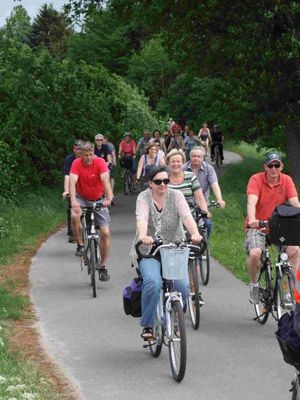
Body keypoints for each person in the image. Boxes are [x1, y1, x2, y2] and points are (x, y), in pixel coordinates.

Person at [130, 165, 202, 340]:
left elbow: (186, 216)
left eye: (166, 181)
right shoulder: (143, 198)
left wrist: (195, 233)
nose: (163, 185)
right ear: (150, 184)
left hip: (173, 249)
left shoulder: (176, 196)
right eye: (158, 181)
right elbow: (142, 219)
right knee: (153, 283)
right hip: (149, 250)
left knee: (182, 288)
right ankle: (148, 324)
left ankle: (175, 319)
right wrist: (143, 236)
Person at [245, 152, 300, 304]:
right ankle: (254, 284)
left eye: (277, 165)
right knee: (256, 253)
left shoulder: (286, 180)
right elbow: (251, 201)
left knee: (295, 251)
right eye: (271, 166)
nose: (274, 169)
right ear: (265, 167)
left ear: (281, 166)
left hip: (279, 225)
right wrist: (252, 219)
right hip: (258, 225)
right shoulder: (256, 179)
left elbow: (295, 202)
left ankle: (287, 289)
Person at [69, 141, 113, 281]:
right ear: (81, 154)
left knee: (105, 233)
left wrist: (109, 198)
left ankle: (103, 266)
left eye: (90, 154)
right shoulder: (76, 163)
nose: (88, 158)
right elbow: (72, 182)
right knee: (75, 215)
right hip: (82, 197)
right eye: (85, 155)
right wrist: (74, 201)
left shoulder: (99, 162)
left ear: (93, 153)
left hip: (99, 198)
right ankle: (81, 245)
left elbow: (105, 181)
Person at [183, 146, 225, 236]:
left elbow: (214, 184)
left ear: (203, 158)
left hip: (203, 203)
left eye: (198, 156)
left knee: (207, 224)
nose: (196, 158)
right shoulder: (183, 168)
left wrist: (219, 199)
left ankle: (205, 246)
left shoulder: (208, 169)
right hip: (186, 203)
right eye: (193, 156)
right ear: (190, 157)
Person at [166, 149, 208, 213]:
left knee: (207, 223)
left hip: (190, 215)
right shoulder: (163, 179)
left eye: (178, 161)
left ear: (183, 163)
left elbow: (200, 199)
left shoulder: (190, 177)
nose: (176, 164)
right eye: (173, 161)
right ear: (168, 163)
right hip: (169, 216)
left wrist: (205, 211)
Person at [62, 140, 83, 243]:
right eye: (77, 148)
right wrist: (66, 190)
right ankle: (72, 233)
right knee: (72, 208)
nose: (79, 151)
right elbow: (67, 176)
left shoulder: (87, 157)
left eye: (80, 148)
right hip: (73, 185)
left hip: (85, 184)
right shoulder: (69, 159)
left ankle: (92, 226)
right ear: (74, 149)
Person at [103, 135, 116, 204]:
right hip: (101, 165)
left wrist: (113, 163)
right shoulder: (98, 147)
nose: (103, 141)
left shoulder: (110, 146)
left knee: (111, 177)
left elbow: (112, 154)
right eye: (102, 140)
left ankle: (112, 192)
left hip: (109, 163)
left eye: (105, 139)